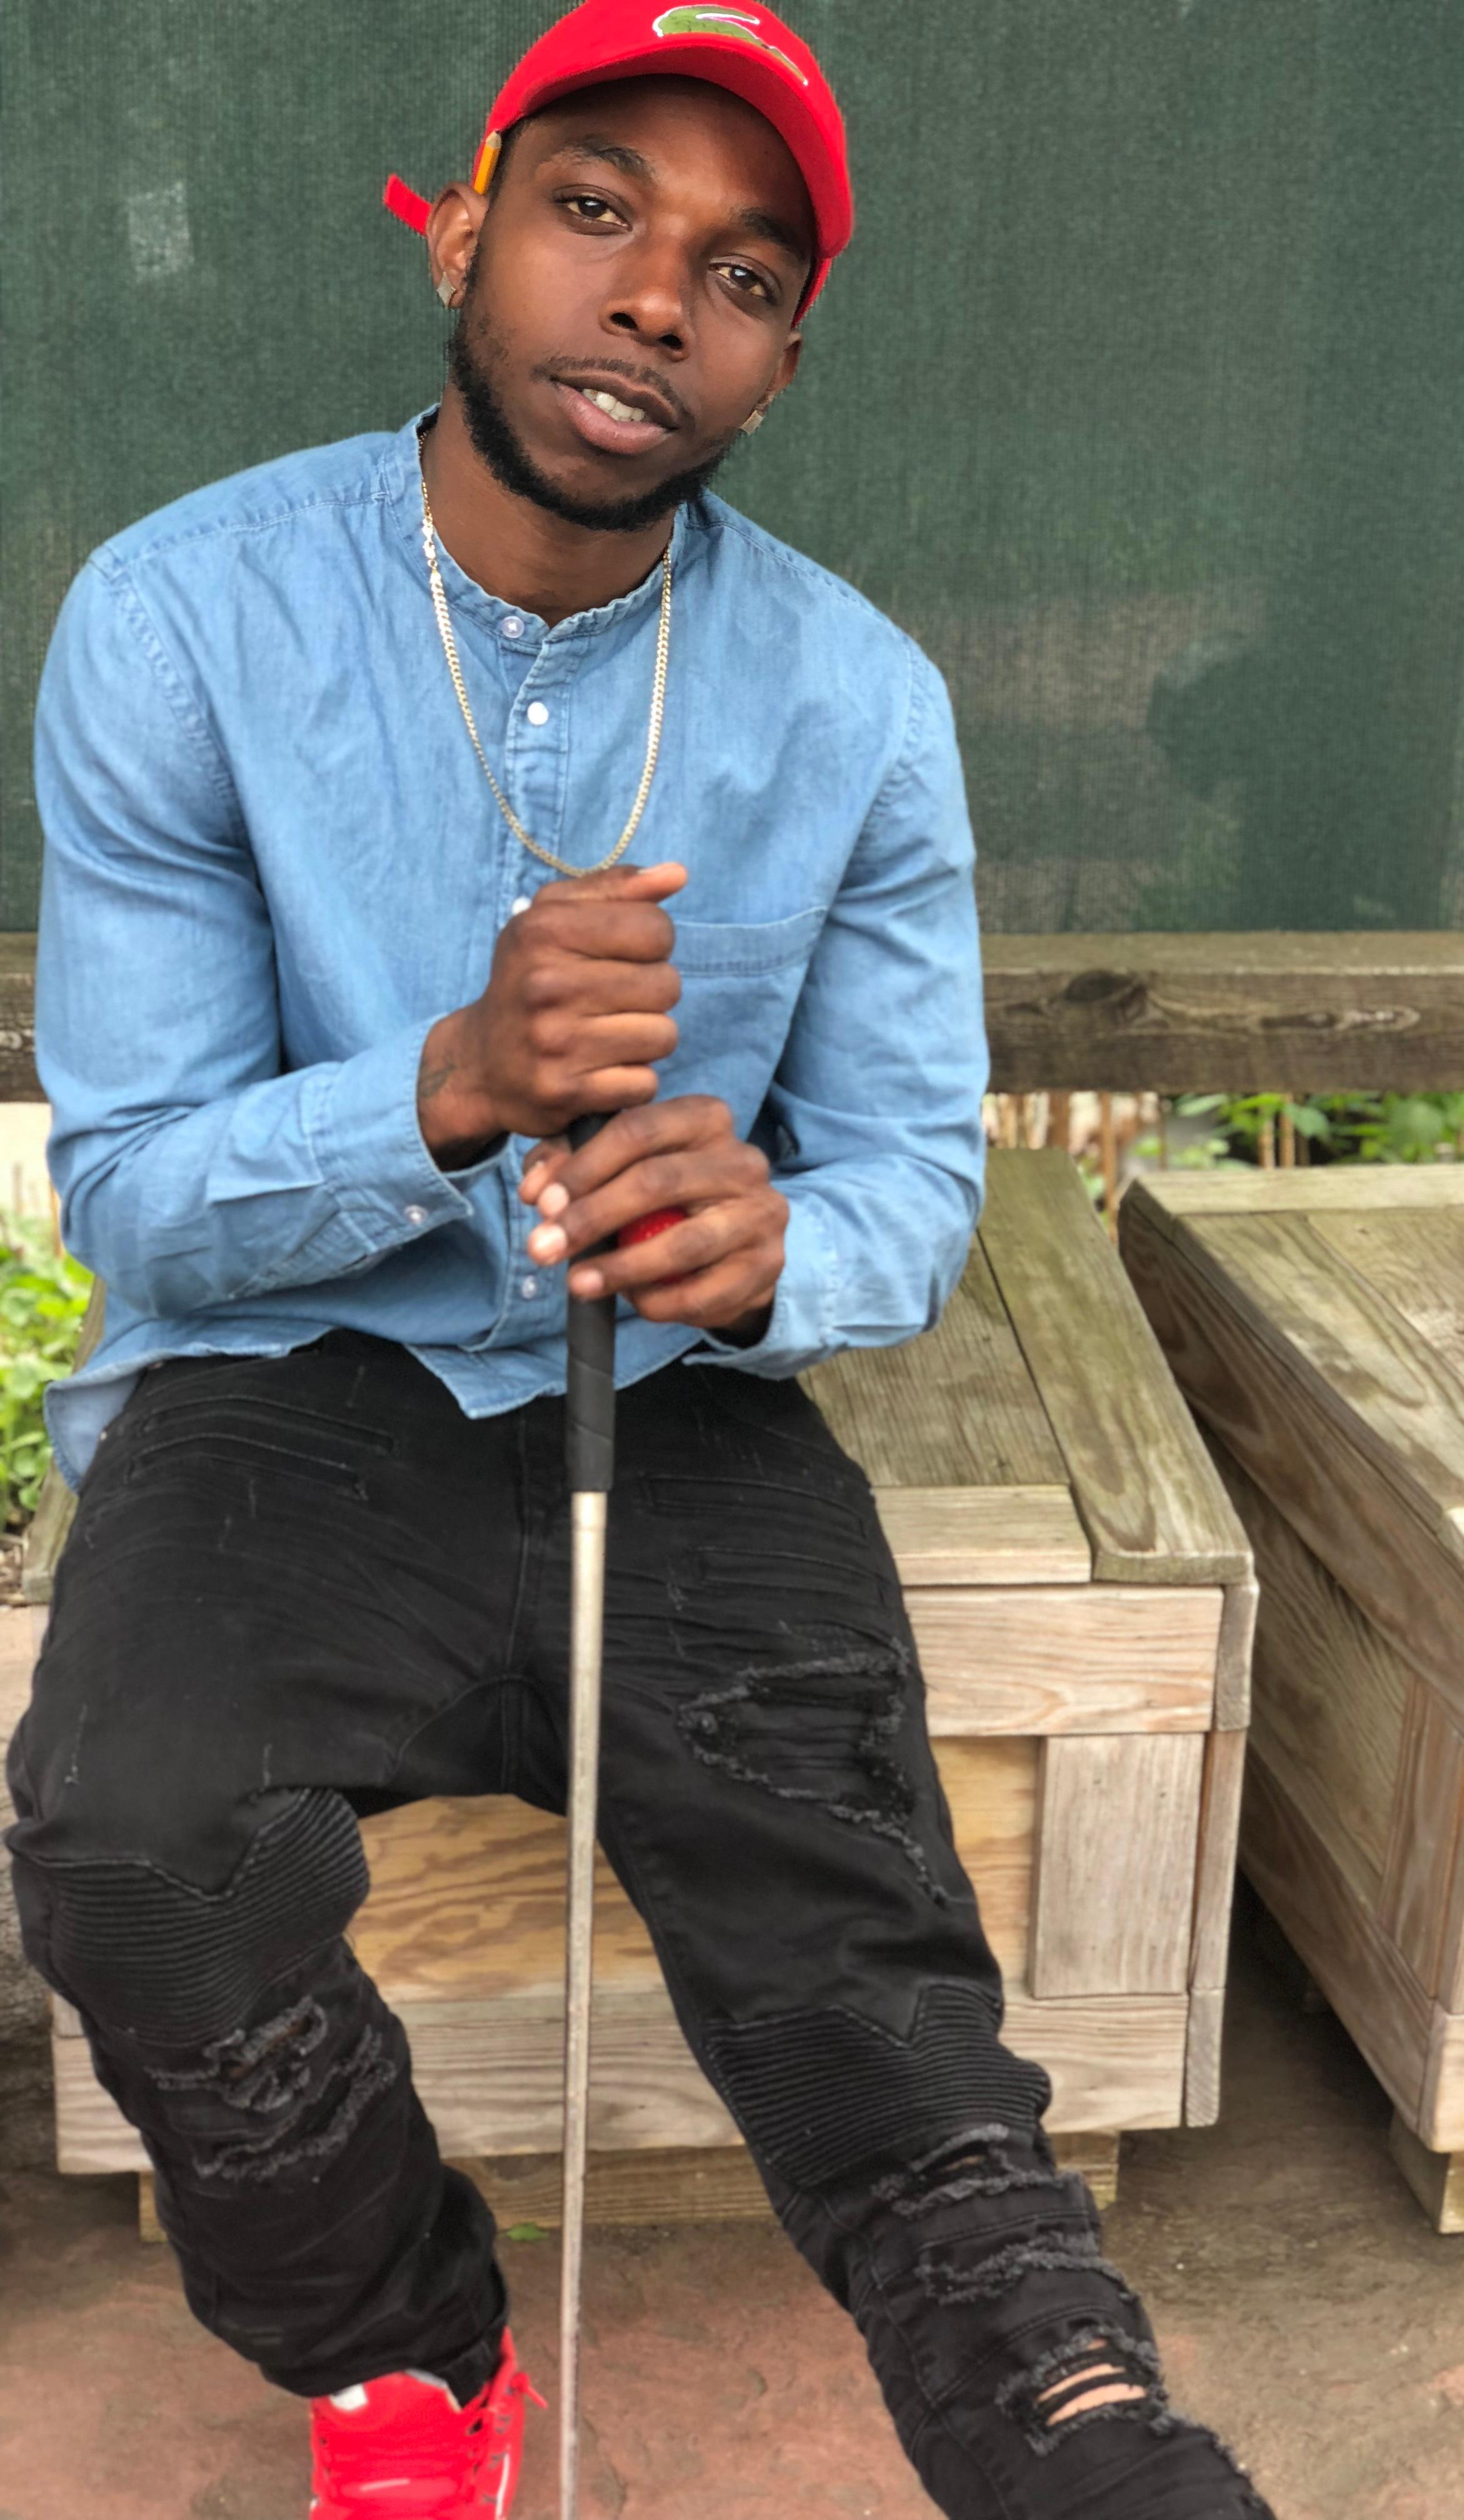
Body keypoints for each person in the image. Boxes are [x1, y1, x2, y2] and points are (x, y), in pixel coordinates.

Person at [7, 6, 1274, 2514]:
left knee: (871, 1985)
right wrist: (452, 1080)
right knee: (128, 1833)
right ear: (464, 230)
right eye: (596, 207)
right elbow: (135, 1191)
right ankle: (407, 2354)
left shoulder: (858, 699)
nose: (658, 297)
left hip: (676, 1406)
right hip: (292, 1390)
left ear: (784, 362)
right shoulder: (180, 618)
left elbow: (908, 1181)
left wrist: (774, 1245)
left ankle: (1091, 2442)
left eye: (745, 272)